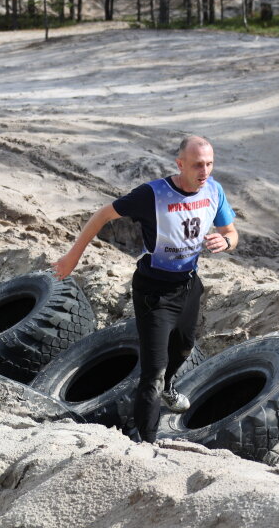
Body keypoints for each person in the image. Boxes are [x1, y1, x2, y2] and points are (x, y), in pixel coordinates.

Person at [53, 135, 238, 443]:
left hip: (189, 284)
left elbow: (231, 232)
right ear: (180, 165)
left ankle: (168, 388)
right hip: (154, 289)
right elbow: (102, 215)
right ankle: (145, 444)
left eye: (209, 164)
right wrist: (72, 256)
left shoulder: (214, 191)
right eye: (196, 165)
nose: (204, 171)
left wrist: (227, 241)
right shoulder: (152, 194)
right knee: (152, 373)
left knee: (184, 346)